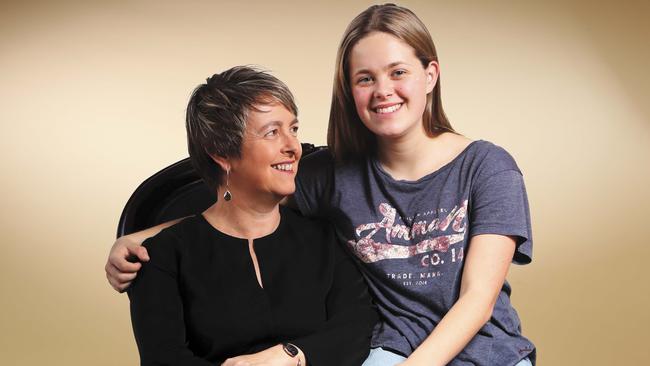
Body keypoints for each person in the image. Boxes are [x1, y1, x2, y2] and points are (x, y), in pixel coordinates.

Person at [107, 4, 536, 366]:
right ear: (350, 92)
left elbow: (477, 299)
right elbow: (241, 208)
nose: (383, 90)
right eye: (365, 78)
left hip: (487, 350)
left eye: (398, 72)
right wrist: (140, 237)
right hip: (389, 350)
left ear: (430, 75)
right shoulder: (333, 173)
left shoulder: (488, 168)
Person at [125, 66, 378, 366]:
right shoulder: (163, 257)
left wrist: (289, 356)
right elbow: (162, 359)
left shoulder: (323, 237)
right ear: (222, 152)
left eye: (293, 129)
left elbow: (356, 328)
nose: (293, 147)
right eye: (272, 132)